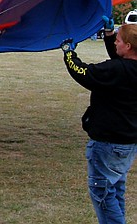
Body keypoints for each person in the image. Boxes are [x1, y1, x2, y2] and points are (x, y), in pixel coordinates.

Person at [61, 16, 137, 224]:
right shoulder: (127, 68)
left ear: (128, 46)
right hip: (127, 144)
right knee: (115, 190)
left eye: (118, 41)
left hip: (108, 144)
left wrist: (69, 53)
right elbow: (121, 62)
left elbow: (85, 73)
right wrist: (109, 34)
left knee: (103, 194)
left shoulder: (118, 71)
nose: (115, 44)